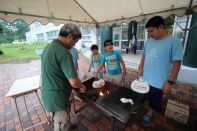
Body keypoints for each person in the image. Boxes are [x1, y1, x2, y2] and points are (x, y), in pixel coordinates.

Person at [138, 16, 183, 127]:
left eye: (151, 31)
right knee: (143, 96)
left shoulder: (174, 42)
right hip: (145, 78)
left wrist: (169, 82)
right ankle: (145, 108)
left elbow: (177, 64)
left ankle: (150, 114)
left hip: (159, 82)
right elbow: (144, 55)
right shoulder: (149, 41)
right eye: (148, 31)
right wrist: (140, 67)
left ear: (161, 27)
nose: (149, 34)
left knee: (154, 101)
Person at [41, 23, 87, 131]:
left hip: (49, 95)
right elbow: (74, 82)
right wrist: (82, 86)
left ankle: (69, 126)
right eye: (75, 42)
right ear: (70, 36)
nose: (74, 45)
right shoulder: (63, 52)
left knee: (64, 120)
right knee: (61, 125)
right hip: (58, 98)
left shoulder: (49, 47)